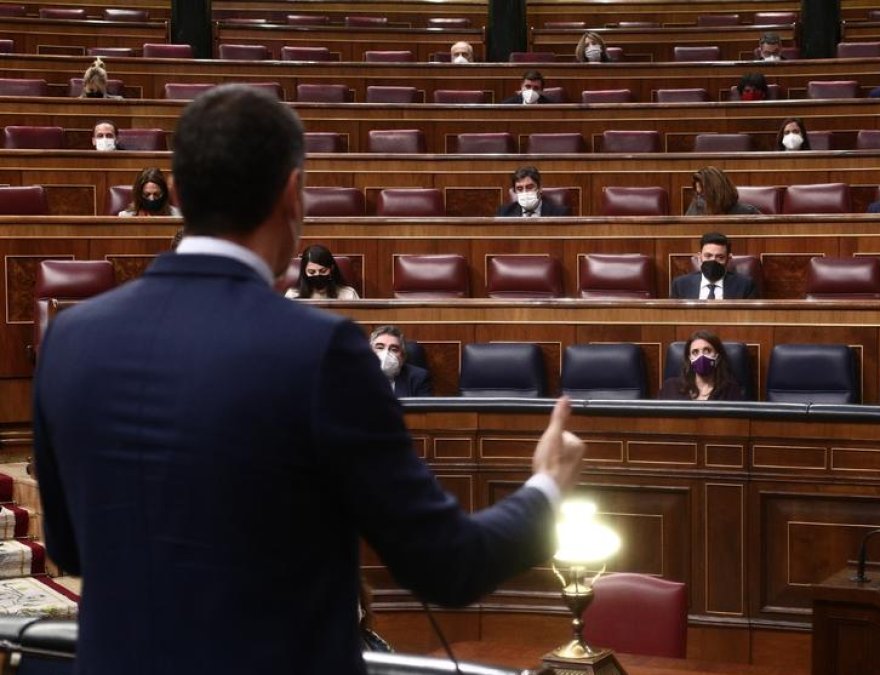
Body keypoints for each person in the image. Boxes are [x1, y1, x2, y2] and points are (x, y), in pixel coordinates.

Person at [32, 83, 586, 675]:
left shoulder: (70, 339)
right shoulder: (320, 349)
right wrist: (546, 488)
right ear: (292, 193)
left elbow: (67, 548)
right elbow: (449, 565)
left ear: (177, 192)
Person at [669, 232, 760, 300]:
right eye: (708, 256)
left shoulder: (745, 285)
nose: (713, 261)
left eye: (720, 257)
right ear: (700, 257)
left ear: (728, 258)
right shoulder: (680, 285)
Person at [657, 330, 744, 401]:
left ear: (717, 357)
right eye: (695, 352)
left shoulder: (731, 391)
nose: (701, 357)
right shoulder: (670, 387)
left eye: (707, 351)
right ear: (690, 359)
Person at [370, 325, 433, 397]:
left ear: (402, 357)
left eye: (394, 349)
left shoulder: (418, 378)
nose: (385, 354)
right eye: (380, 347)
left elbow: (423, 404)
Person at [286, 243, 361, 299]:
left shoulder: (348, 295)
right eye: (312, 272)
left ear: (331, 268)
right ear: (304, 272)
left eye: (323, 271)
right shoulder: (292, 295)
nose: (317, 275)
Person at [496, 166, 570, 217]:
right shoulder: (504, 213)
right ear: (515, 191)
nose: (525, 192)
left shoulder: (560, 213)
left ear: (540, 188)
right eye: (519, 189)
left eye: (529, 187)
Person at [685, 166, 761, 215]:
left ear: (718, 193)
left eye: (703, 195)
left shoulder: (747, 213)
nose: (700, 199)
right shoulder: (696, 209)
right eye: (698, 194)